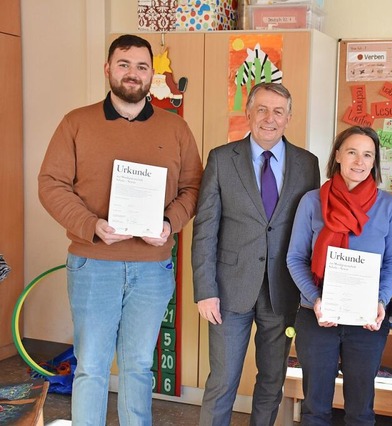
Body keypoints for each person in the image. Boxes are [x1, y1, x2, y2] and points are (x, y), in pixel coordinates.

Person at [38, 34, 203, 425]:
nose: (133, 73)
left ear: (151, 75)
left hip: (152, 268)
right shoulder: (75, 123)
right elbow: (51, 184)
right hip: (93, 265)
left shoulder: (176, 128)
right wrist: (90, 224)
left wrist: (169, 223)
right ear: (108, 69)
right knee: (91, 366)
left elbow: (193, 188)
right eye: (124, 64)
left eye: (142, 66)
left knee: (138, 367)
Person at [192, 82, 320, 426]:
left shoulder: (308, 164)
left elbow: (311, 231)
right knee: (222, 382)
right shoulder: (221, 159)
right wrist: (205, 290)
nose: (269, 118)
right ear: (248, 113)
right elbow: (205, 228)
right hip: (229, 291)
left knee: (271, 382)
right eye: (261, 109)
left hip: (283, 292)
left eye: (278, 111)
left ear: (289, 118)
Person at [286, 125, 392, 425]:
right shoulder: (312, 202)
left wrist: (380, 300)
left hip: (367, 319)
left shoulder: (388, 206)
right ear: (337, 155)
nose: (359, 161)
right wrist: (315, 300)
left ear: (375, 162)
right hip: (317, 315)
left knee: (361, 411)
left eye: (368, 155)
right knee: (315, 408)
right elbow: (295, 258)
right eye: (352, 152)